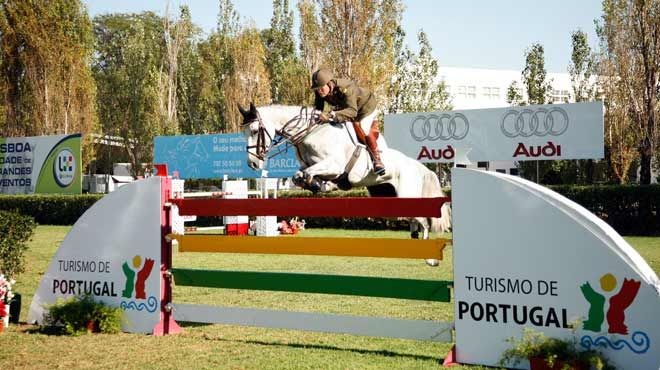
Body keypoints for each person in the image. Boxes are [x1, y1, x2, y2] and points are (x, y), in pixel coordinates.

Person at [311, 68, 385, 175]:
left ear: (329, 84)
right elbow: (318, 109)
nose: (319, 91)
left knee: (363, 128)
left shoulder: (345, 88)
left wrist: (332, 115)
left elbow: (353, 112)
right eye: (317, 89)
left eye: (321, 88)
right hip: (348, 108)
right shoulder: (321, 92)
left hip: (365, 107)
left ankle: (377, 160)